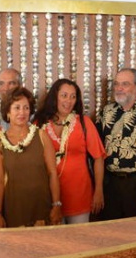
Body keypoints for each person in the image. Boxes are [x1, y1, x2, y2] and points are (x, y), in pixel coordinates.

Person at [33, 79, 106, 224]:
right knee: (56, 244)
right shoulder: (39, 124)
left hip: (80, 195)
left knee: (79, 242)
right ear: (55, 97)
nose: (69, 100)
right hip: (49, 197)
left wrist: (98, 191)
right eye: (64, 95)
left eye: (73, 96)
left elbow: (98, 158)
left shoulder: (84, 123)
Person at [95, 68, 136, 220]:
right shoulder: (106, 111)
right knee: (109, 230)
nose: (119, 88)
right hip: (109, 183)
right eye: (117, 84)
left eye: (125, 84)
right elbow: (97, 150)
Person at [0, 87, 62, 228]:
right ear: (8, 112)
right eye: (17, 108)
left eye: (26, 108)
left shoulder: (42, 136)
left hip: (42, 207)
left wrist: (57, 204)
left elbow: (52, 173)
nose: (22, 112)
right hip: (14, 209)